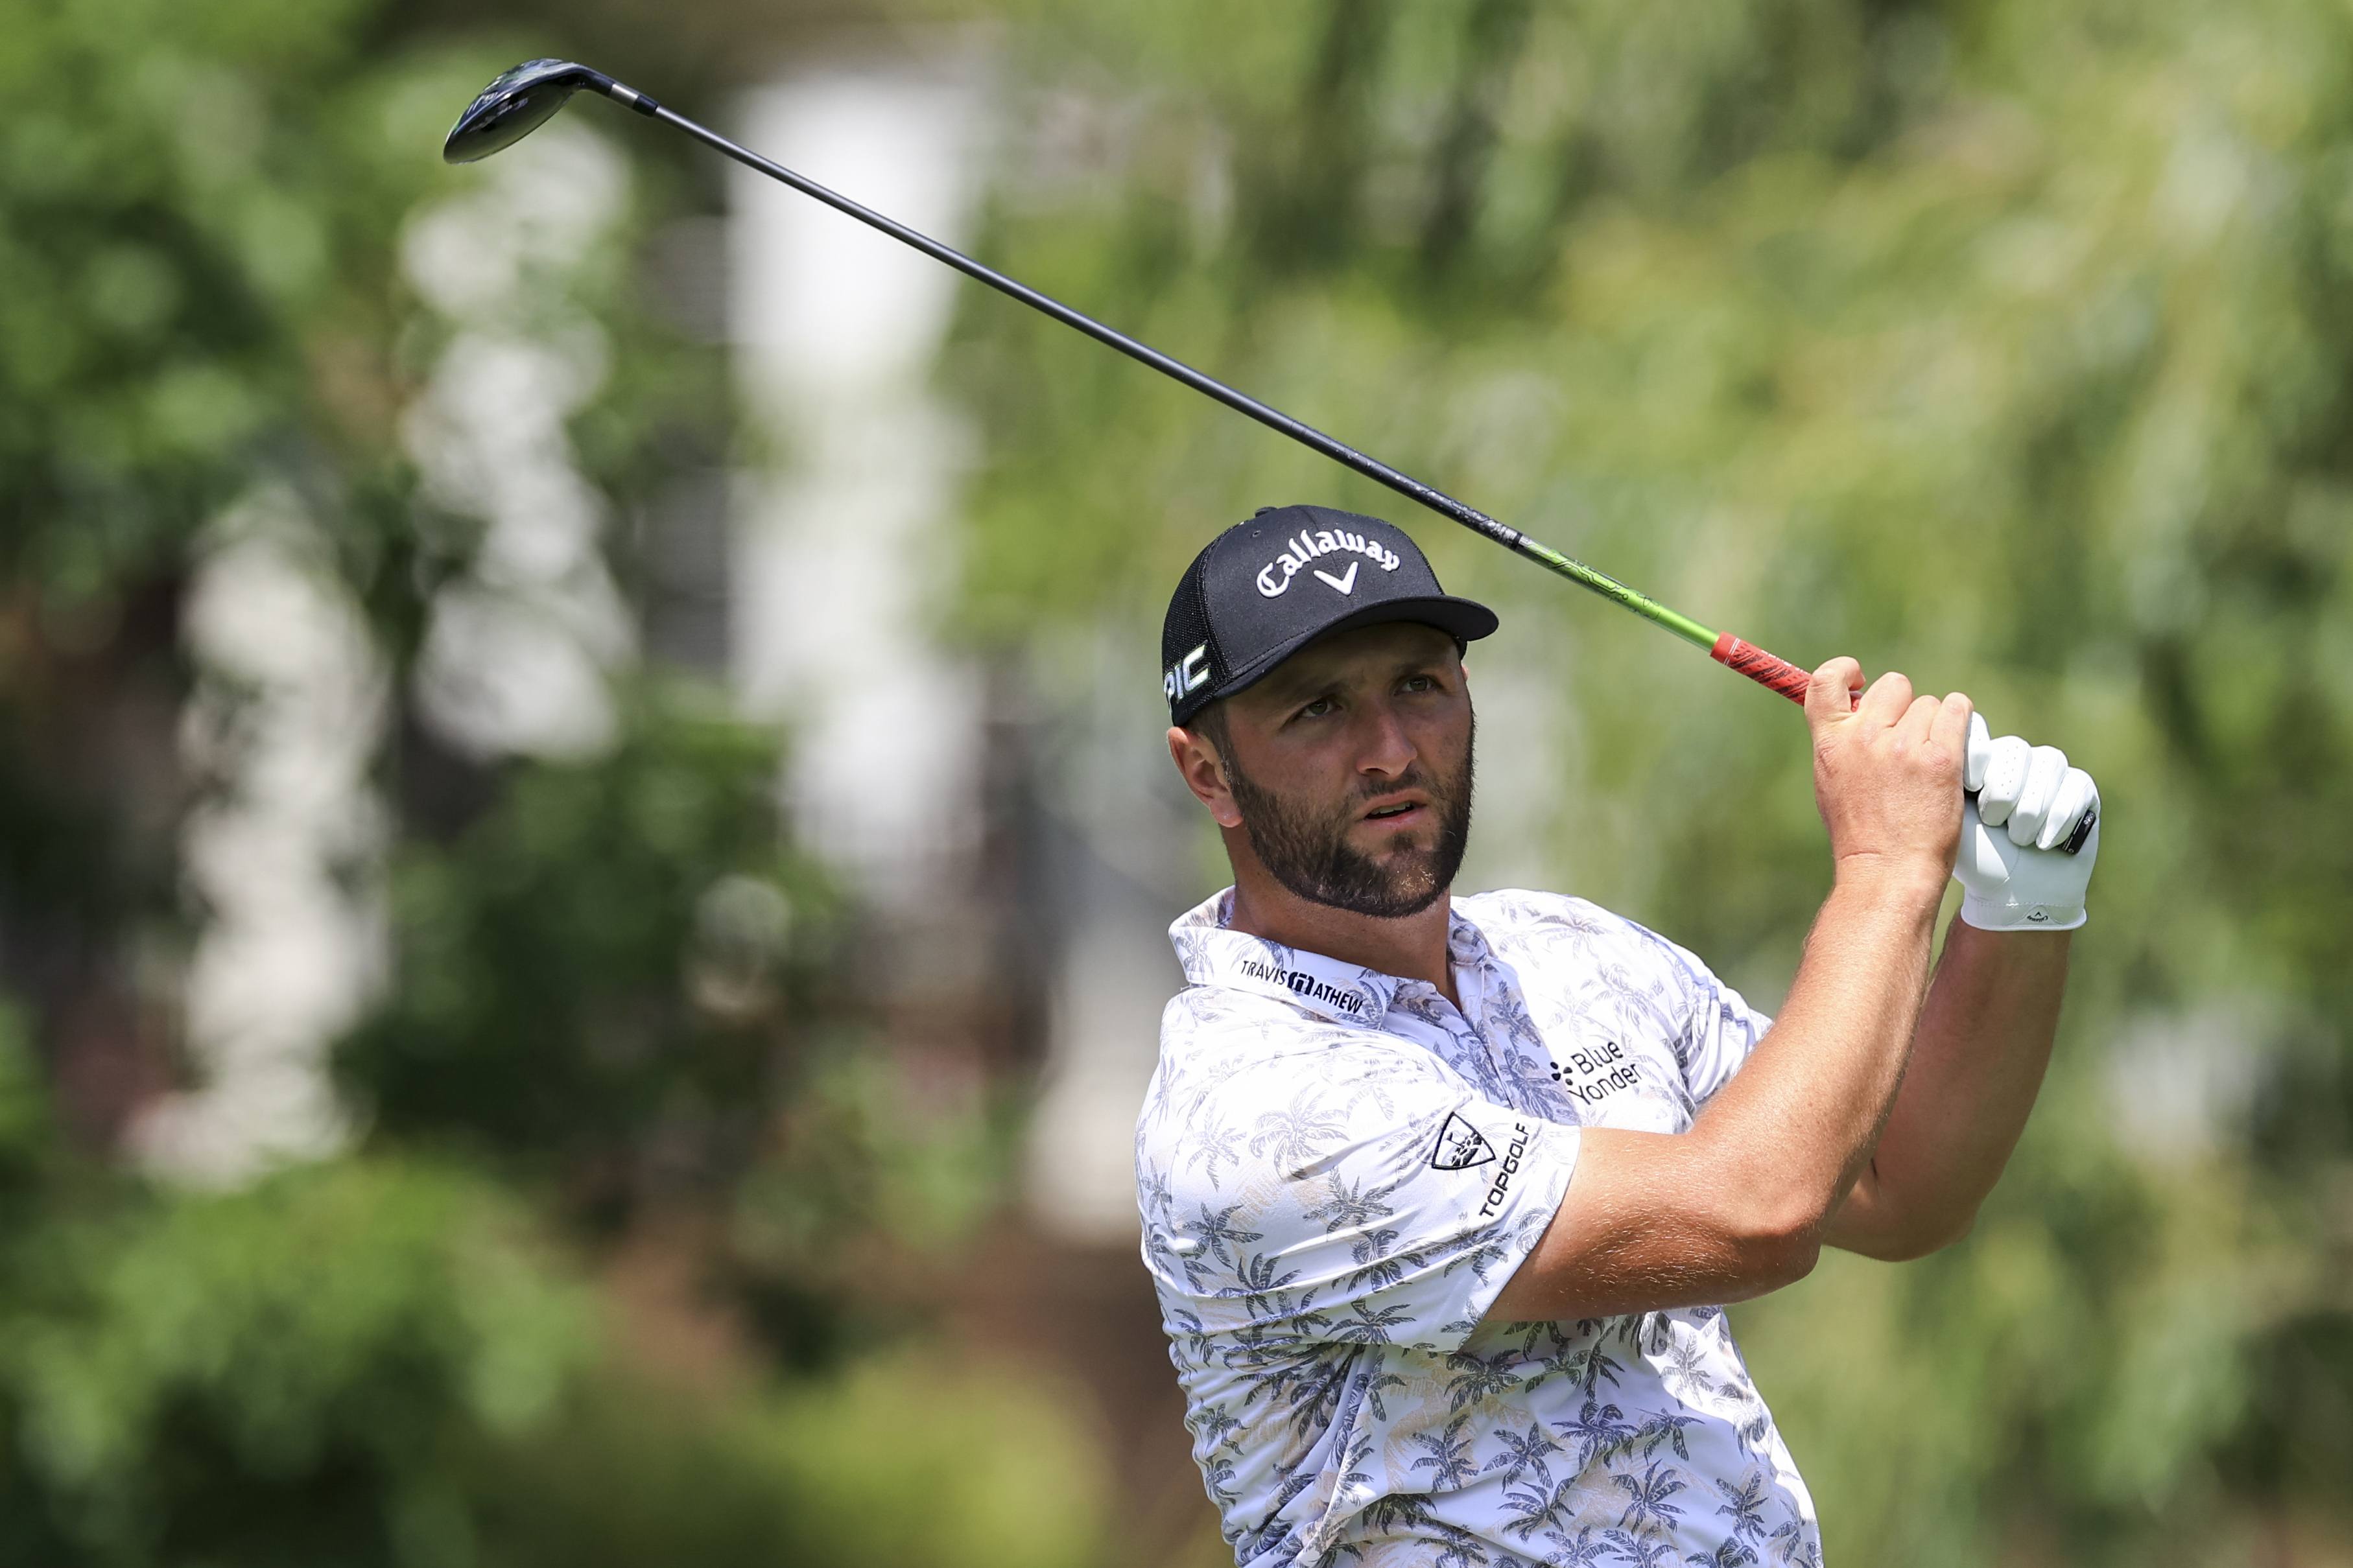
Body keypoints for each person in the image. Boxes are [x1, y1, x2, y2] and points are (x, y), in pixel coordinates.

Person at [1136, 504, 2101, 1567]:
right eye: (1316, 709)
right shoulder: (1253, 1111)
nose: (1390, 750)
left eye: (1419, 683)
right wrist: (1883, 873)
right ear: (1207, 772)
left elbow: (1895, 1184)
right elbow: (1760, 1212)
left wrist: (2018, 914)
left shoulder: (1570, 951)